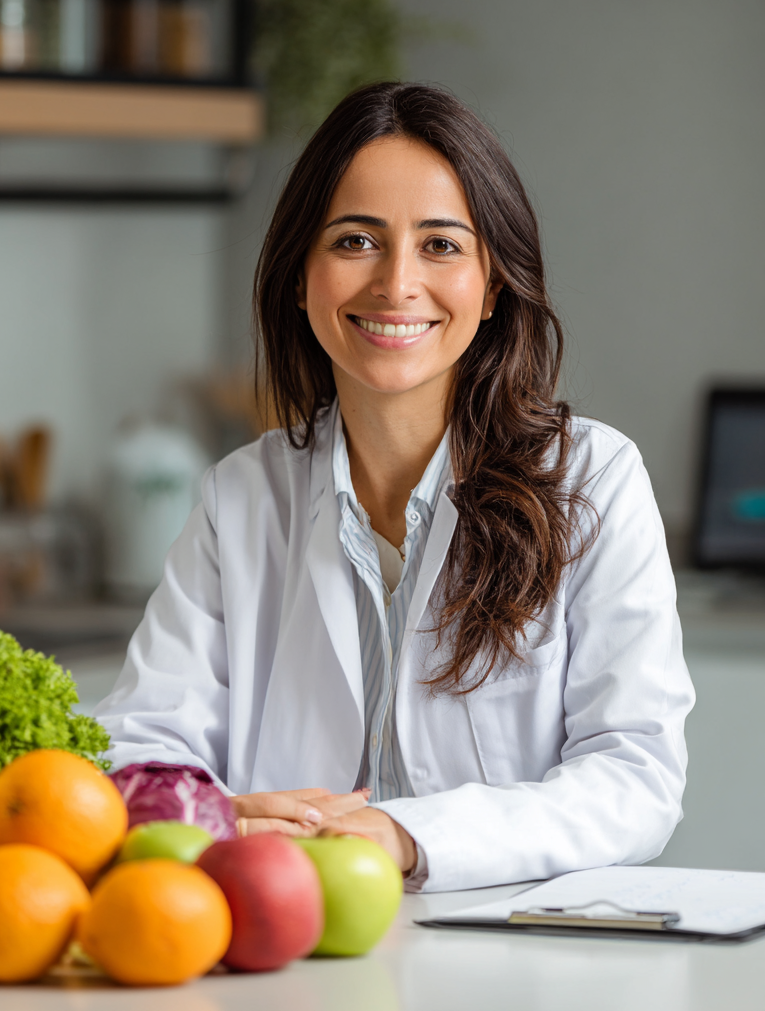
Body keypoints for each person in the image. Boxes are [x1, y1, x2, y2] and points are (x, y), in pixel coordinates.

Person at [95, 82, 695, 893]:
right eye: (355, 241)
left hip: (510, 965)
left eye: (441, 246)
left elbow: (635, 781)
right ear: (301, 276)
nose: (396, 284)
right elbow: (136, 752)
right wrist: (210, 814)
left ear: (492, 287)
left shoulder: (591, 480)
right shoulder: (241, 497)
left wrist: (407, 834)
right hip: (288, 952)